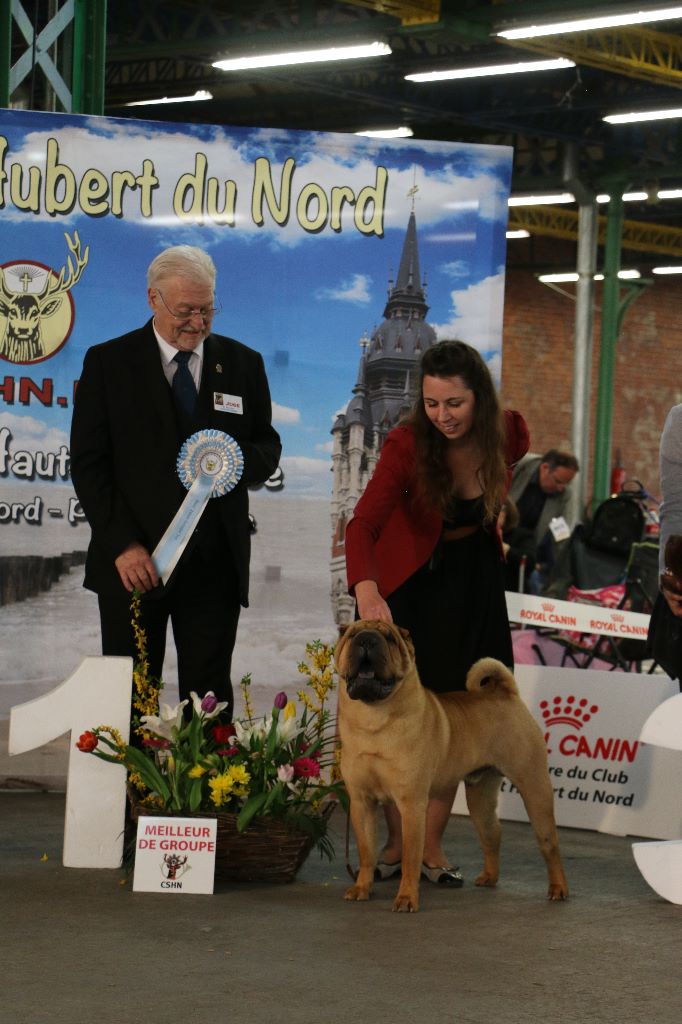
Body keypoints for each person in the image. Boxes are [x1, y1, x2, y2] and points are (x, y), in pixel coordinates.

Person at [345, 339, 529, 886]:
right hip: (418, 583)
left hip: (476, 578)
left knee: (461, 716)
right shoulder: (405, 444)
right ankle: (398, 847)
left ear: (480, 400)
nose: (442, 416)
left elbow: (506, 470)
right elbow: (362, 525)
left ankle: (428, 846)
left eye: (455, 404)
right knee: (415, 718)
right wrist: (366, 588)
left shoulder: (511, 432)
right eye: (431, 403)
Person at [70, 245, 281, 718]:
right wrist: (123, 544)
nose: (198, 323)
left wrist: (229, 462)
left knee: (209, 704)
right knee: (128, 701)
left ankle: (209, 794)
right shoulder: (108, 363)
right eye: (186, 310)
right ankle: (130, 795)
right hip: (133, 566)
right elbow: (89, 464)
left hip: (214, 569)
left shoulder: (244, 364)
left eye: (207, 310)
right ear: (153, 299)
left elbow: (268, 448)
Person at [508, 448, 579, 593]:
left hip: (528, 549)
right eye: (558, 481)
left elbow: (562, 536)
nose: (561, 488)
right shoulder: (519, 466)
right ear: (545, 468)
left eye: (566, 484)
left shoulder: (565, 495)